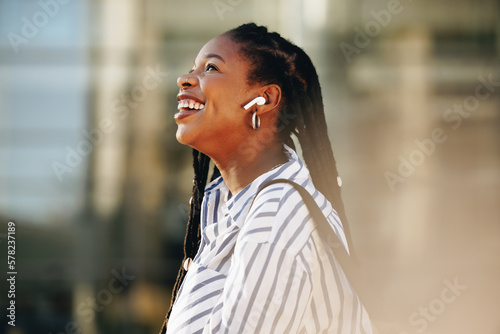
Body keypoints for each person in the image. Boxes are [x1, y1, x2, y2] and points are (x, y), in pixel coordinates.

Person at [160, 23, 372, 334]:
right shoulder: (229, 207)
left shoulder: (276, 214)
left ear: (264, 99)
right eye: (192, 68)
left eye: (211, 67)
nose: (185, 79)